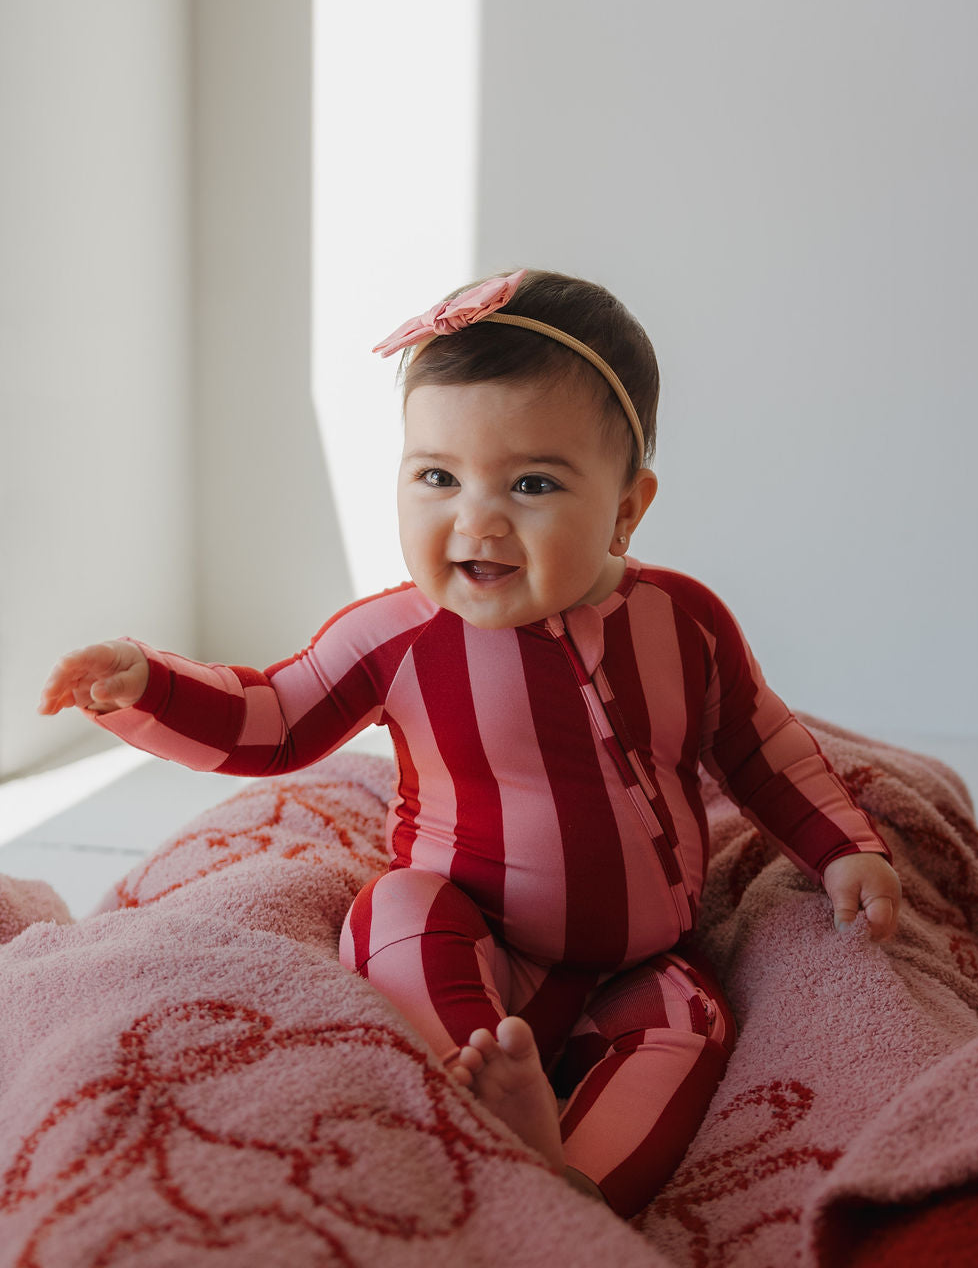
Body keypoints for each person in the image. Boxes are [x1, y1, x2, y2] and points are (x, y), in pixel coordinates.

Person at [38, 268, 902, 1217]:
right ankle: (476, 1072)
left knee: (691, 1027)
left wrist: (844, 848)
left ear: (627, 507)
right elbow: (272, 718)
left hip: (640, 964)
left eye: (532, 483)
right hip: (481, 940)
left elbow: (759, 745)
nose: (475, 519)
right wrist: (144, 684)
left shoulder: (682, 621)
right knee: (393, 911)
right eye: (438, 477)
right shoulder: (396, 638)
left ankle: (572, 1183)